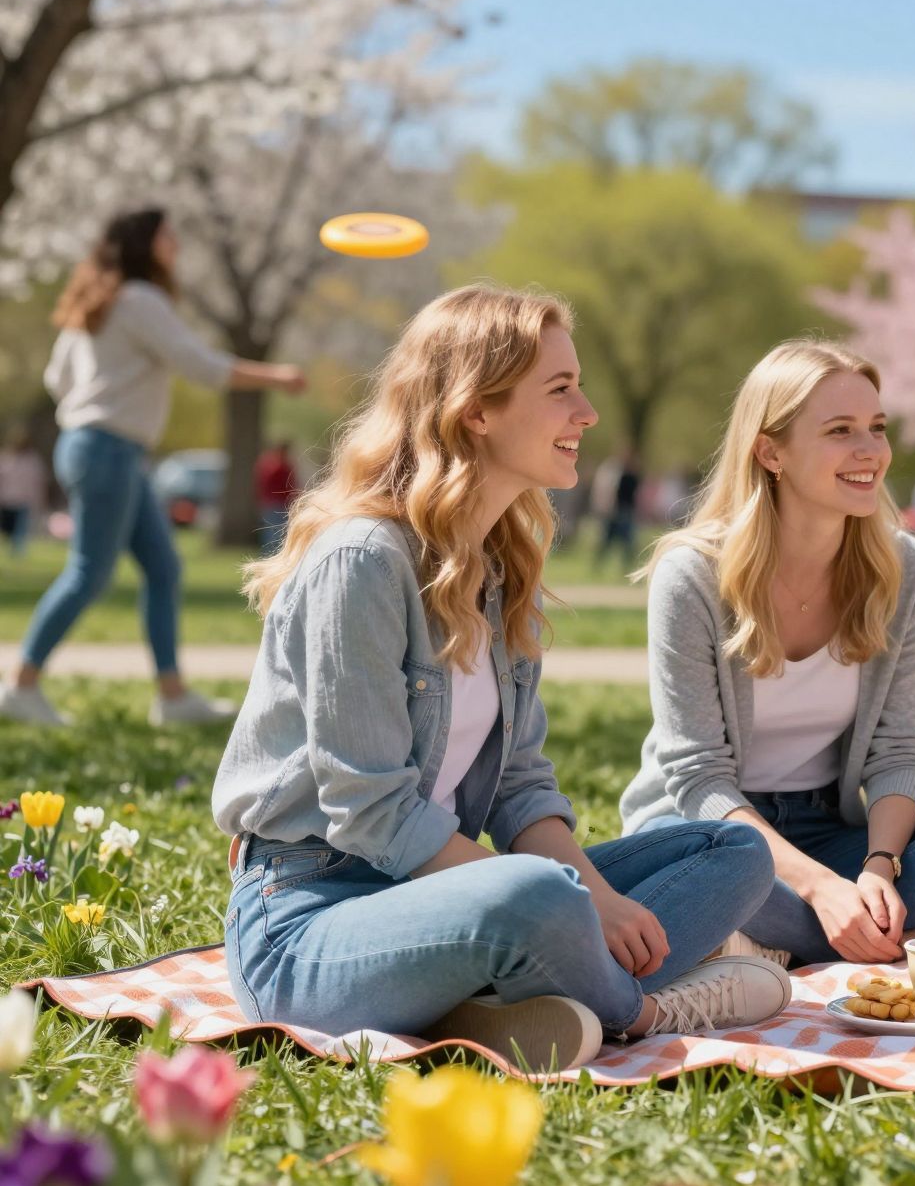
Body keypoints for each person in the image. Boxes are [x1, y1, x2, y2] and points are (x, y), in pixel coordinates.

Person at [213, 286, 785, 1072]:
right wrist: (569, 903)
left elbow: (520, 788)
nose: (587, 413)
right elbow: (372, 813)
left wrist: (598, 900)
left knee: (734, 852)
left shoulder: (497, 567)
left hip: (445, 897)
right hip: (308, 922)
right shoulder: (362, 562)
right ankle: (643, 1011)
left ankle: (489, 1000)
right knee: (537, 896)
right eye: (560, 389)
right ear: (477, 409)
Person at [620, 340, 915, 967]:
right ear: (771, 452)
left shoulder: (905, 571)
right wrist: (820, 889)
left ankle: (773, 938)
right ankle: (906, 932)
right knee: (721, 876)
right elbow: (698, 778)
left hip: (828, 830)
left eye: (877, 427)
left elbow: (901, 747)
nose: (871, 450)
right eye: (840, 431)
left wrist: (878, 867)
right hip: (709, 833)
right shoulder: (693, 576)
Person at [1, 210, 306, 727]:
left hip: (97, 447)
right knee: (88, 574)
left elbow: (56, 379)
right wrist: (276, 377)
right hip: (108, 450)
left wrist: (97, 398)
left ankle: (172, 696)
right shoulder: (141, 299)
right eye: (166, 236)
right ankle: (21, 685)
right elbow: (199, 365)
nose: (175, 244)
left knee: (163, 569)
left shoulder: (94, 305)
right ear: (143, 243)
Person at [592, 446, 643, 570]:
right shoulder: (614, 472)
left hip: (626, 511)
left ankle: (626, 567)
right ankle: (598, 565)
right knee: (606, 540)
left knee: (627, 542)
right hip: (613, 511)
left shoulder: (632, 474)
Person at [0, 431, 45, 558]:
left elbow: (37, 483)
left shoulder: (32, 461)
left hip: (24, 501)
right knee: (7, 529)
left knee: (20, 530)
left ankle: (17, 552)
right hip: (7, 500)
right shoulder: (6, 458)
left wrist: (38, 501)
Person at [254, 439, 301, 558]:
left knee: (271, 531)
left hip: (271, 503)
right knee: (276, 532)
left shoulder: (268, 464)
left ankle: (269, 555)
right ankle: (272, 555)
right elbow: (289, 486)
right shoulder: (280, 466)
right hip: (279, 503)